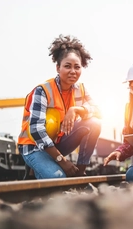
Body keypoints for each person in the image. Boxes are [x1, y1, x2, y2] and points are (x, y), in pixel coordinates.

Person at [17, 34, 102, 179]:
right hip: (34, 146)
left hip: (56, 143)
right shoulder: (43, 91)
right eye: (67, 66)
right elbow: (36, 131)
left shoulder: (80, 89)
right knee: (58, 178)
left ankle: (80, 174)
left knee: (94, 123)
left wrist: (75, 110)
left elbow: (98, 112)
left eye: (77, 67)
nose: (73, 71)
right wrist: (63, 162)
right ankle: (34, 168)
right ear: (58, 67)